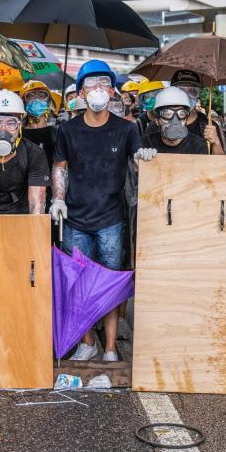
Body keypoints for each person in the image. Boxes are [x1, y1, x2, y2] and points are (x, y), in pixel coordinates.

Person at [50, 59, 152, 362]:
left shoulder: (127, 129)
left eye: (104, 83)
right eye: (91, 83)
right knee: (78, 283)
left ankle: (109, 347)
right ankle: (87, 341)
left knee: (109, 283)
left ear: (113, 90)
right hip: (75, 219)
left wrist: (144, 158)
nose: (98, 89)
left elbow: (136, 163)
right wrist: (58, 198)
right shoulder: (68, 129)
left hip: (111, 219)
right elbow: (60, 167)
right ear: (81, 91)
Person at [170, 69, 224, 154]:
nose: (186, 96)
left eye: (192, 91)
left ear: (198, 94)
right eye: (181, 91)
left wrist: (216, 142)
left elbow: (222, 164)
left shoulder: (209, 126)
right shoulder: (161, 122)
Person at [141, 86, 207, 155]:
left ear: (186, 119)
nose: (175, 121)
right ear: (157, 120)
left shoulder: (198, 146)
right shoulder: (146, 144)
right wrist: (138, 162)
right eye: (167, 114)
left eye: (181, 114)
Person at [20, 80, 57, 169]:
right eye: (31, 96)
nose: (37, 100)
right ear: (24, 103)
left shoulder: (56, 132)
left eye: (42, 95)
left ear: (48, 102)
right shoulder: (18, 134)